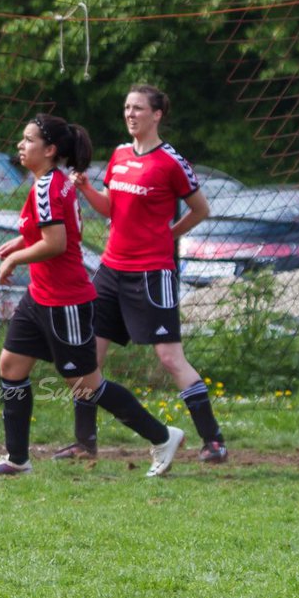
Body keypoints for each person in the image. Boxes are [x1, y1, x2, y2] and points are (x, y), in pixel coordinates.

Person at [0, 114, 185, 476]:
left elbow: (56, 244)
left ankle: (162, 436)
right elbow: (56, 231)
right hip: (39, 297)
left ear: (50, 149)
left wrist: (14, 258)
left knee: (87, 386)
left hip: (65, 301)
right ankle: (17, 459)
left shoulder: (47, 186)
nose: (20, 146)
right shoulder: (53, 180)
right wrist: (23, 242)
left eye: (28, 140)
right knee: (11, 365)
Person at [54, 84, 228, 463]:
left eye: (137, 108)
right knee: (88, 359)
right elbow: (112, 210)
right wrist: (85, 190)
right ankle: (85, 443)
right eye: (126, 108)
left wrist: (169, 234)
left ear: (157, 114)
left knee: (169, 358)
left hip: (151, 274)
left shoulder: (170, 161)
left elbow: (200, 210)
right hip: (111, 270)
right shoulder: (118, 155)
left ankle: (213, 441)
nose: (130, 114)